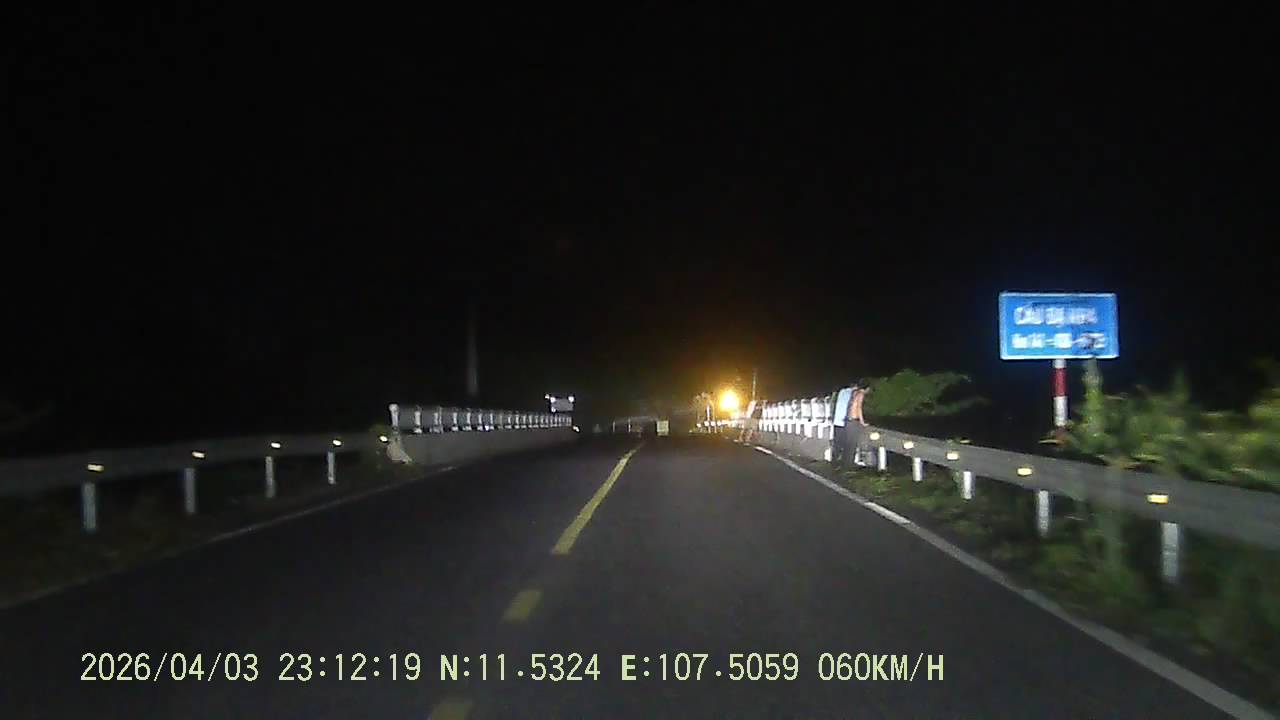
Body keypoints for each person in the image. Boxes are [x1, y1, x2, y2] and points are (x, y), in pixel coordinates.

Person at [830, 385, 855, 467]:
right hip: (845, 422)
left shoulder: (842, 391)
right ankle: (845, 463)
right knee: (847, 444)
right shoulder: (853, 393)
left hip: (837, 421)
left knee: (837, 444)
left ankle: (834, 462)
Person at [848, 385, 872, 466]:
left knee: (851, 442)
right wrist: (862, 422)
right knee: (855, 442)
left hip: (850, 419)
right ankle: (851, 463)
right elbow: (859, 408)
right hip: (855, 419)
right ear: (866, 388)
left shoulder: (855, 393)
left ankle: (849, 462)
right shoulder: (861, 394)